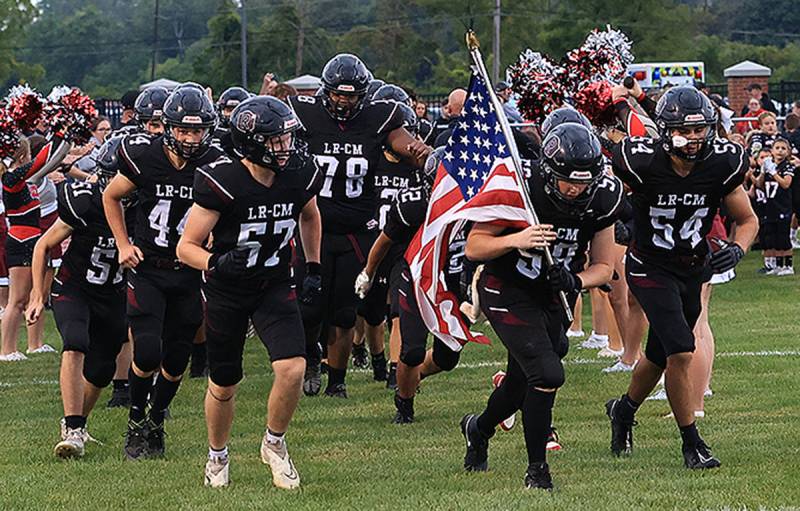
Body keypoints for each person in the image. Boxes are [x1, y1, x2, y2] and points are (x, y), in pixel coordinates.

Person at [605, 85, 758, 469]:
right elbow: (608, 197)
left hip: (692, 267)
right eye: (684, 131)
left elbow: (748, 219)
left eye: (699, 130)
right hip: (649, 265)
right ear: (664, 129)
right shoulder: (641, 161)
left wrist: (737, 249)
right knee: (681, 349)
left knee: (658, 356)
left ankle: (623, 411)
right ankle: (692, 443)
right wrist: (620, 219)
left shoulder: (722, 163)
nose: (693, 139)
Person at [460, 123, 620, 489]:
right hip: (506, 287)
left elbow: (604, 266)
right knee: (547, 374)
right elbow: (475, 246)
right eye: (567, 180)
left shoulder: (603, 197)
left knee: (521, 382)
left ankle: (479, 428)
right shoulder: (520, 188)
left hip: (551, 296)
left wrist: (575, 281)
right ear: (548, 171)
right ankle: (537, 470)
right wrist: (518, 238)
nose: (575, 189)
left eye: (583, 181)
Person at [177, 96, 321, 489]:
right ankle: (217, 456)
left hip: (274, 283)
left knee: (293, 367)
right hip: (227, 290)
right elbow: (186, 246)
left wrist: (313, 266)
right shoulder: (223, 180)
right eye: (276, 140)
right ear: (253, 142)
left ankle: (274, 444)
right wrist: (215, 263)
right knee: (225, 384)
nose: (286, 147)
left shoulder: (298, 173)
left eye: (287, 138)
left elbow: (310, 214)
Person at [287, 53, 430, 398]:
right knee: (308, 306)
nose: (343, 100)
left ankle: (337, 381)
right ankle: (310, 356)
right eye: (338, 93)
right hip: (313, 224)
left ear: (363, 95)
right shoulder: (305, 114)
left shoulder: (377, 120)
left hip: (356, 229)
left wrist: (423, 153)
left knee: (344, 311)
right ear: (326, 91)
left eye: (350, 95)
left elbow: (403, 143)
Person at [103, 83, 222, 460]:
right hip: (149, 268)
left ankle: (156, 419)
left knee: (175, 360)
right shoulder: (144, 156)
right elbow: (111, 195)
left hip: (187, 271)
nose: (190, 137)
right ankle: (136, 421)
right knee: (149, 349)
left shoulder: (216, 162)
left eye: (197, 129)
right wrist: (123, 243)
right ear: (168, 127)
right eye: (184, 130)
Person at [25, 136, 129, 458]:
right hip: (75, 287)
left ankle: (77, 425)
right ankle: (72, 428)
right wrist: (37, 295)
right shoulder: (85, 201)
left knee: (101, 370)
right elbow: (43, 245)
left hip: (112, 292)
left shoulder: (144, 207)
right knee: (74, 341)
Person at [355, 148, 468, 423]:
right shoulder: (413, 204)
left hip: (452, 280)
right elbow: (384, 241)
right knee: (412, 349)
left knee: (448, 356)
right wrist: (368, 273)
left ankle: (414, 376)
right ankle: (404, 406)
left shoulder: (475, 204)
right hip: (414, 275)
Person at [0, 135, 69, 361]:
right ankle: (7, 350)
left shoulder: (29, 180)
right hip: (19, 241)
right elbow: (41, 160)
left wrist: (69, 138)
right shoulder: (11, 178)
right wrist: (58, 133)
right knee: (16, 300)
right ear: (21, 153)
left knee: (33, 295)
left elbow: (52, 161)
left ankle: (34, 344)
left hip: (33, 240)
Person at [754, 137, 794, 275]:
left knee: (783, 237)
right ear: (772, 151)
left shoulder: (787, 166)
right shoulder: (770, 165)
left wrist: (774, 173)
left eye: (783, 148)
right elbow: (759, 184)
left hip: (783, 206)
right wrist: (763, 171)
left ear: (788, 152)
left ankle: (788, 266)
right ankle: (778, 265)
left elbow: (785, 184)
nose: (780, 151)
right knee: (774, 237)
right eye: (777, 148)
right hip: (771, 206)